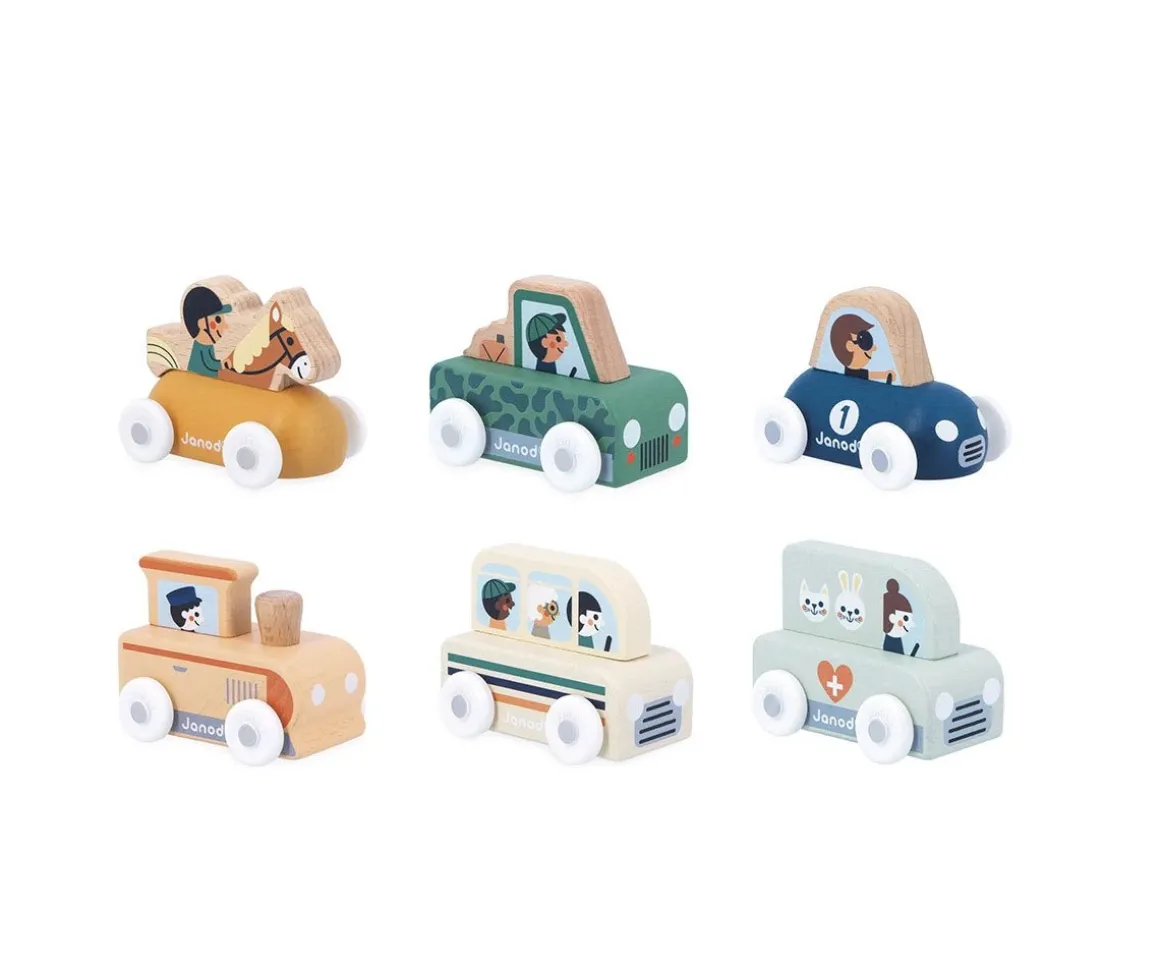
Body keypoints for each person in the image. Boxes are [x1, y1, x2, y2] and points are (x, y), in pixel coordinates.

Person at [829, 314, 898, 383]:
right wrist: (885, 375)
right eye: (865, 341)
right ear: (850, 346)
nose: (874, 348)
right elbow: (868, 375)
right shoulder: (851, 375)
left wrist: (885, 375)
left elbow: (867, 375)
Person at [182, 285, 233, 378]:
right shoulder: (202, 346)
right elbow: (209, 363)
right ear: (202, 324)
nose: (225, 326)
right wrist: (221, 364)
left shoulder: (208, 344)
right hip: (198, 379)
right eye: (218, 320)